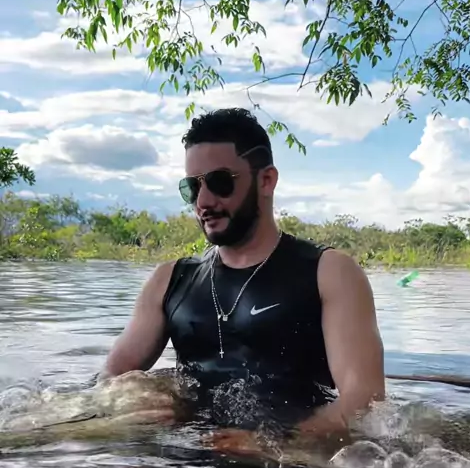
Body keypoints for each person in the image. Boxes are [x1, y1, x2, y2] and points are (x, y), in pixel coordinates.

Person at [100, 107, 385, 441]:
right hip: (187, 455)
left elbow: (364, 403)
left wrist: (273, 444)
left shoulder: (329, 272)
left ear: (266, 180)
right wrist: (136, 399)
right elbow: (111, 376)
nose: (203, 201)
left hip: (290, 462)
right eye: (192, 187)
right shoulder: (169, 280)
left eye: (220, 182)